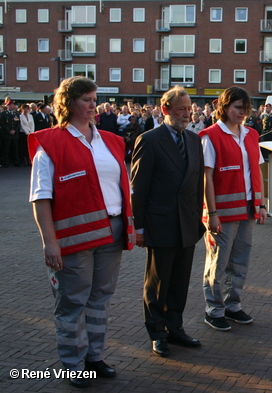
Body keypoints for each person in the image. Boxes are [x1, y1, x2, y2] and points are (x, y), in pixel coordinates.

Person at [28, 76, 134, 388]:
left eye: (93, 98)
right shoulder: (50, 143)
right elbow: (41, 197)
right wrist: (50, 242)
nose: (92, 105)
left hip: (111, 231)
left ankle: (95, 357)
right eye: (85, 99)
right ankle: (73, 364)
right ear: (68, 102)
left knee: (100, 298)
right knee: (72, 301)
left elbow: (121, 187)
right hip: (73, 239)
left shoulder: (112, 141)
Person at [131, 86, 205, 358]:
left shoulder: (195, 141)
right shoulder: (149, 140)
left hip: (187, 223)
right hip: (160, 223)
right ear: (165, 110)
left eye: (189, 109)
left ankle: (175, 328)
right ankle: (157, 332)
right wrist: (138, 227)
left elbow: (198, 183)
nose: (187, 114)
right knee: (158, 282)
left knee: (180, 281)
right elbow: (138, 186)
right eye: (181, 109)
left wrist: (199, 218)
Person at [200, 86, 267, 331]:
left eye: (245, 108)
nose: (242, 112)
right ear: (225, 108)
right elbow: (206, 178)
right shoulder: (210, 136)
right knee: (217, 262)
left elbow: (257, 171)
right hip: (222, 213)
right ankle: (214, 309)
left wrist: (261, 204)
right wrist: (212, 213)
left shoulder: (251, 135)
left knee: (239, 261)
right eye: (238, 108)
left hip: (247, 209)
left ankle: (232, 305)